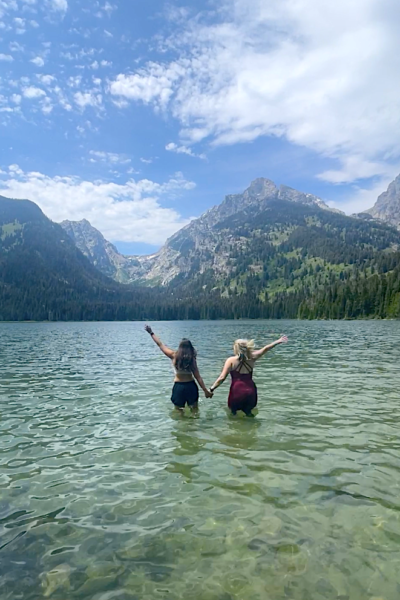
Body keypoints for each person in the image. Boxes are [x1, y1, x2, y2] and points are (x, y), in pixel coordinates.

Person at [209, 335, 288, 416]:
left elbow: (222, 378)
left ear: (236, 348)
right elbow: (266, 348)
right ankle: (253, 428)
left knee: (233, 415)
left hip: (237, 391)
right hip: (250, 390)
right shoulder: (253, 357)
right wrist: (278, 341)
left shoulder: (231, 361)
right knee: (249, 414)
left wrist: (211, 389)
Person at [145, 325, 213, 411]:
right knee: (194, 410)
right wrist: (205, 391)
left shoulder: (173, 356)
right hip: (191, 386)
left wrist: (151, 333)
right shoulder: (191, 359)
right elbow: (198, 377)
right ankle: (193, 424)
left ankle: (182, 424)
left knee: (179, 411)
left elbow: (160, 344)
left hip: (179, 387)